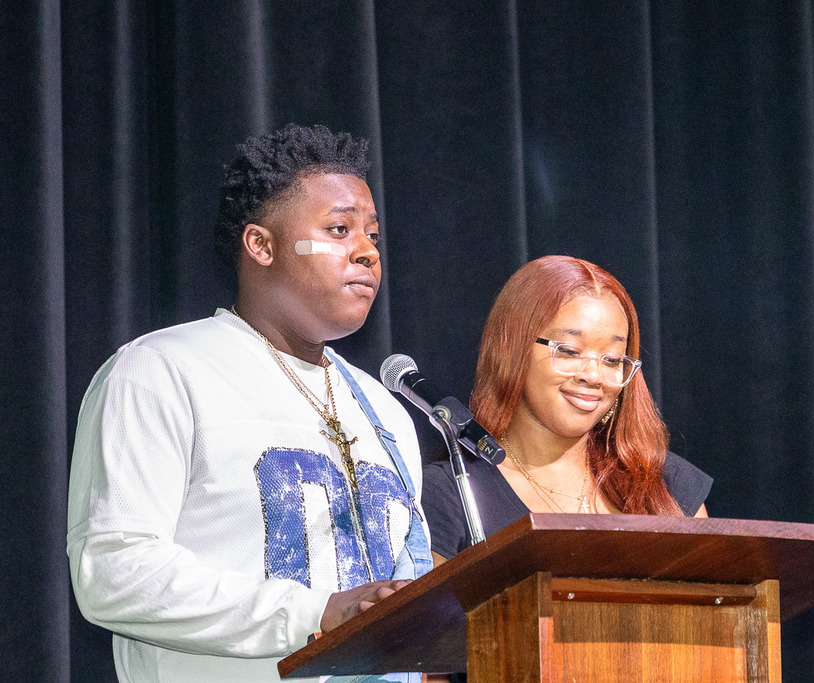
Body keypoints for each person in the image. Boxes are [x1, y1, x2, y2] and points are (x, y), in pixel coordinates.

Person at [66, 124, 430, 682]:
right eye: (339, 230)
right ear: (260, 245)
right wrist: (313, 615)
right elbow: (114, 570)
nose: (366, 252)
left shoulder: (386, 410)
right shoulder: (164, 370)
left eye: (372, 235)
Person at [422, 255, 711, 563]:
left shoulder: (662, 480)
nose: (594, 375)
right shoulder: (452, 491)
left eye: (612, 359)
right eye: (570, 351)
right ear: (512, 347)